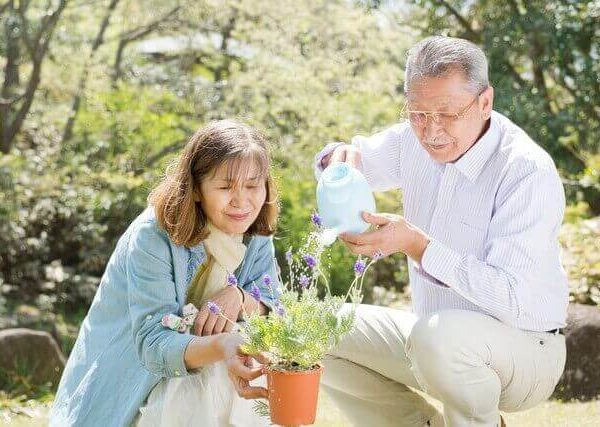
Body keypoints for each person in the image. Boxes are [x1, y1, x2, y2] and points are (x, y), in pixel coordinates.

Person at [314, 36, 568, 427]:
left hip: (527, 350)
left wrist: (417, 245)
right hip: (433, 340)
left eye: (447, 114)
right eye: (418, 113)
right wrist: (336, 160)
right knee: (320, 328)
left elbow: (512, 297)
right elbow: (351, 159)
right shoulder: (411, 140)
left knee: (440, 337)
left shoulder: (525, 170)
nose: (431, 131)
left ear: (485, 103)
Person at [50, 120, 279, 426]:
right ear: (196, 189)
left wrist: (241, 299)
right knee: (202, 385)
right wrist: (222, 345)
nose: (242, 201)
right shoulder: (153, 236)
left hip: (212, 366)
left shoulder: (256, 233)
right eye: (225, 187)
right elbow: (153, 342)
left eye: (252, 185)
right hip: (134, 375)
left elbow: (273, 302)